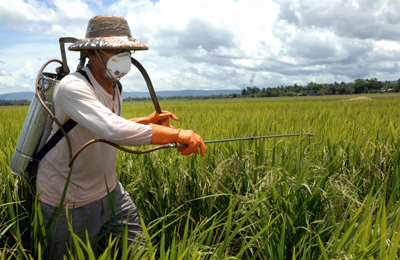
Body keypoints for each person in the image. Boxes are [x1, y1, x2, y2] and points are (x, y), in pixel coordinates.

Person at [36, 15, 206, 259]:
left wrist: (146, 123)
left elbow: (105, 124)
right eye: (114, 49)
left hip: (109, 190)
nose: (123, 55)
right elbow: (110, 129)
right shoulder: (73, 87)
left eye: (125, 49)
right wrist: (176, 134)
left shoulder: (115, 86)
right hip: (66, 200)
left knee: (140, 253)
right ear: (92, 53)